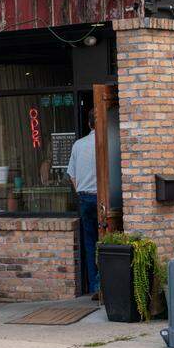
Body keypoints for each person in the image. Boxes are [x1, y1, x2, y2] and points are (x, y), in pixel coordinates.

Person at [67, 113, 100, 299]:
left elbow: (71, 175)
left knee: (90, 242)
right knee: (106, 242)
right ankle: (105, 284)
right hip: (102, 199)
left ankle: (95, 286)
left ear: (88, 123)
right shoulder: (107, 141)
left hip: (84, 198)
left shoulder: (78, 145)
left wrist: (80, 191)